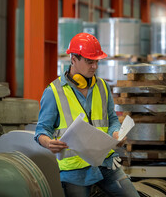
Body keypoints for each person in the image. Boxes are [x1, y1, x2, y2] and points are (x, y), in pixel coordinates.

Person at [35, 33, 139, 197]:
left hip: (106, 163)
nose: (94, 66)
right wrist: (48, 142)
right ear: (73, 59)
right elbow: (41, 130)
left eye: (97, 61)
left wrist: (116, 133)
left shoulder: (102, 86)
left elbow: (112, 119)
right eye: (90, 61)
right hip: (75, 172)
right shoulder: (53, 92)